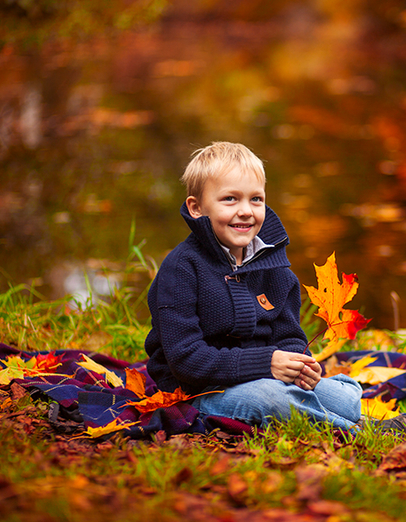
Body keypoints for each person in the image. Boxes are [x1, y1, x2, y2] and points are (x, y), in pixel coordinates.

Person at [143, 142, 363, 430]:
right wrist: (266, 364)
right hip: (196, 389)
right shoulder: (182, 268)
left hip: (261, 376)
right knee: (270, 400)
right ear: (196, 208)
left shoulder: (275, 269)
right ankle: (356, 429)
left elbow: (288, 336)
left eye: (256, 199)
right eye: (230, 199)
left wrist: (300, 365)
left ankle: (339, 409)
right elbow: (186, 359)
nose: (246, 211)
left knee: (345, 400)